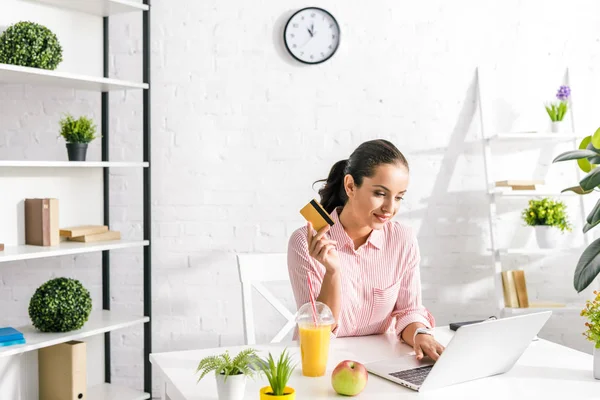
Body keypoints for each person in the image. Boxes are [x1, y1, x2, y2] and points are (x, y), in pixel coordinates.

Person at [287, 139, 445, 361]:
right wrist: (332, 273)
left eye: (399, 197)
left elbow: (408, 311)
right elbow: (316, 330)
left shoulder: (402, 239)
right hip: (323, 362)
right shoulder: (306, 242)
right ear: (350, 186)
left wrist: (421, 334)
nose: (390, 208)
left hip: (383, 362)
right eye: (380, 193)